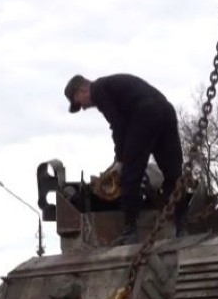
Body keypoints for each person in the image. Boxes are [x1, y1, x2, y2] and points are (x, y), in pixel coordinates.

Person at [64, 73, 186, 245]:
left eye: (78, 102)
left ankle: (130, 231)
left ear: (83, 89)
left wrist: (120, 161)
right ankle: (182, 226)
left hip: (145, 113)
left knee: (130, 175)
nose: (82, 107)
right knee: (173, 174)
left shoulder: (98, 89)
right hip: (165, 110)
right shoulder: (114, 86)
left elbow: (118, 125)